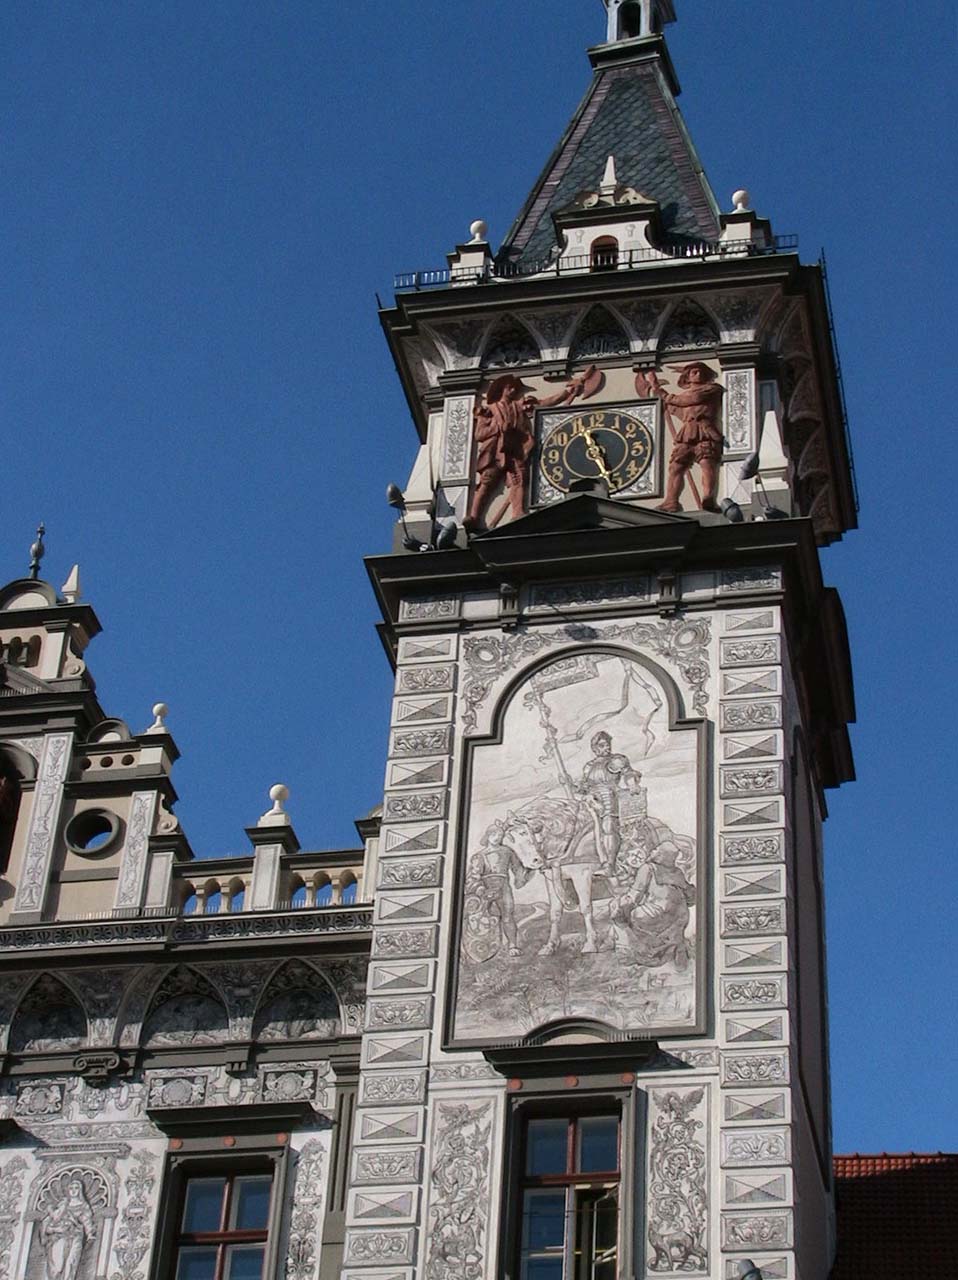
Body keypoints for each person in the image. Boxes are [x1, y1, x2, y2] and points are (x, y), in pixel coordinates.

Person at [464, 367, 599, 530]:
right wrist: (498, 428)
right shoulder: (489, 411)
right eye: (509, 387)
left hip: (517, 450)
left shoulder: (520, 405)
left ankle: (518, 513)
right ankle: (474, 516)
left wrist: (567, 392)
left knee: (520, 480)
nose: (513, 391)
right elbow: (479, 434)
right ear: (501, 389)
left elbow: (545, 403)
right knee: (487, 482)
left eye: (515, 388)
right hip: (496, 452)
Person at [654, 362, 725, 513]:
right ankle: (671, 501)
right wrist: (664, 401)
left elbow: (692, 399)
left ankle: (708, 498)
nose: (698, 374)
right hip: (687, 432)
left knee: (707, 463)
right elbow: (681, 411)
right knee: (676, 467)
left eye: (701, 372)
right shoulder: (683, 396)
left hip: (705, 430)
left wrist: (665, 396)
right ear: (687, 377)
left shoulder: (712, 389)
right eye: (694, 372)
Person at [468, 820, 537, 956]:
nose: (497, 837)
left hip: (504, 887)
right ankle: (482, 945)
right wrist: (481, 890)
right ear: (488, 836)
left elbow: (517, 869)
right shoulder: (480, 856)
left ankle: (513, 946)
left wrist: (527, 872)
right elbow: (473, 876)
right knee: (480, 917)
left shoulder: (507, 852)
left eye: (500, 835)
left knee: (508, 916)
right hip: (485, 888)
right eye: (494, 834)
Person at [577, 731, 643, 871]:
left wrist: (632, 783)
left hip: (609, 796)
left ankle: (610, 865)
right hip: (591, 799)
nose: (607, 747)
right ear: (595, 748)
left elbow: (628, 772)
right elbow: (584, 787)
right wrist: (569, 783)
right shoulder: (589, 766)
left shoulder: (616, 760)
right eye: (602, 745)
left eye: (607, 744)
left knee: (609, 828)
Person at [40, 1176, 94, 1280]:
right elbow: (51, 1220)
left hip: (76, 1236)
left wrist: (90, 1234)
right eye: (71, 1188)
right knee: (58, 1265)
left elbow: (87, 1221)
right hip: (60, 1236)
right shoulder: (63, 1204)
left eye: (76, 1188)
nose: (73, 1191)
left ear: (80, 1190)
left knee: (71, 1261)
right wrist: (54, 1228)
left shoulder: (84, 1206)